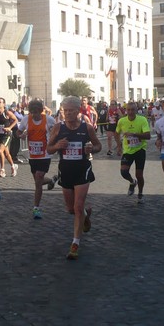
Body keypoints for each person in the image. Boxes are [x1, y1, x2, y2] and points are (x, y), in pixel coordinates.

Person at [47, 96, 102, 260]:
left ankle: (75, 243)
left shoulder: (87, 128)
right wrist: (57, 146)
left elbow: (98, 145)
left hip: (82, 170)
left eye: (72, 111)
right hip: (65, 170)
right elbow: (49, 149)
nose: (68, 113)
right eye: (66, 110)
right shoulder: (58, 128)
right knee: (71, 209)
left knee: (77, 207)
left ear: (78, 111)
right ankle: (86, 214)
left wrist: (92, 148)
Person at [17, 99, 58, 219]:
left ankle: (36, 208)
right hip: (33, 155)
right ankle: (51, 180)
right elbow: (18, 133)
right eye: (32, 112)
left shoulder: (49, 119)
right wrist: (21, 135)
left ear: (41, 111)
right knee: (38, 181)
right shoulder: (26, 119)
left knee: (39, 177)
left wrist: (53, 136)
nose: (35, 115)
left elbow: (56, 131)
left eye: (37, 113)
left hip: (45, 154)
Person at [116, 101, 151, 204]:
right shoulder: (122, 121)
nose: (130, 112)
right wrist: (119, 146)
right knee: (123, 172)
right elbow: (116, 133)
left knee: (139, 174)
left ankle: (140, 194)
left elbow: (148, 136)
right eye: (128, 110)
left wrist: (134, 134)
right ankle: (132, 182)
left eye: (132, 110)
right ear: (125, 110)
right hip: (128, 150)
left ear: (136, 110)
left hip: (140, 149)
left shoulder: (142, 120)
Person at [0, 97, 19, 177]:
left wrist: (9, 128)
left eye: (0, 102)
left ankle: (2, 170)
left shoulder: (7, 113)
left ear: (4, 104)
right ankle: (13, 166)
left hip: (6, 135)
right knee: (6, 154)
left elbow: (16, 120)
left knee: (0, 151)